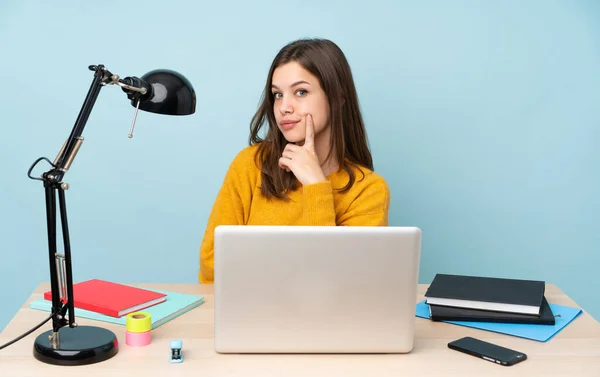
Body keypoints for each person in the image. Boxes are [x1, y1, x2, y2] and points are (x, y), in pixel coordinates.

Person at [198, 38, 390, 284]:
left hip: (326, 321)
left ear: (338, 97)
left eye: (301, 92)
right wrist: (297, 273)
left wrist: (316, 187)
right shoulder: (250, 165)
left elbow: (341, 283)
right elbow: (212, 262)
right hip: (248, 315)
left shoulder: (369, 191)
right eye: (277, 94)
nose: (284, 107)